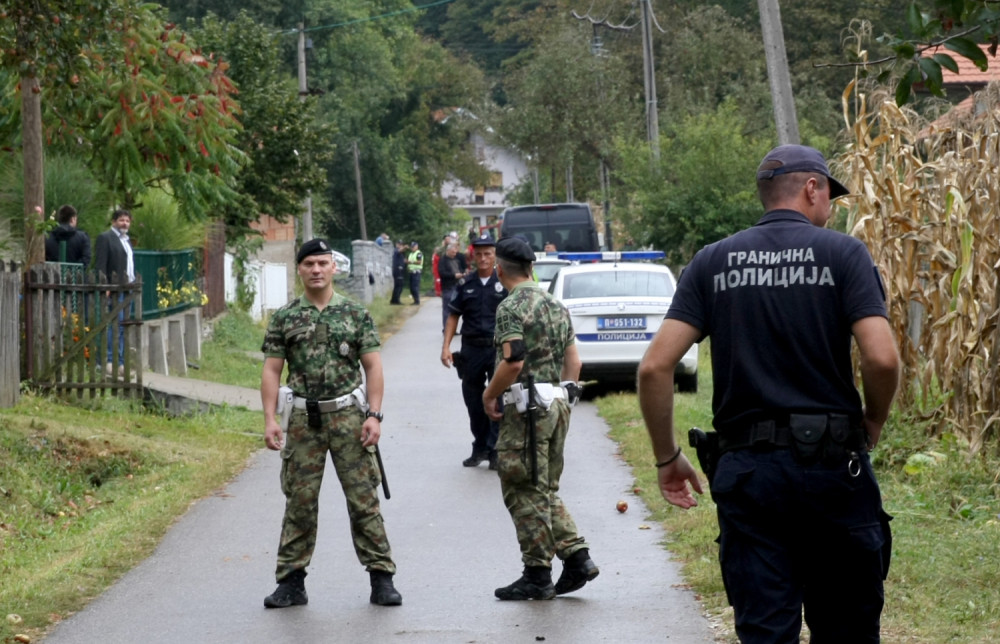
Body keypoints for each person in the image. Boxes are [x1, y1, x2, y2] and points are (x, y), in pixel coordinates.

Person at [637, 144, 900, 643]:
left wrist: (666, 456)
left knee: (765, 630)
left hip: (749, 474)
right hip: (833, 470)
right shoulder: (844, 254)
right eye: (829, 197)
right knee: (847, 626)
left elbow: (655, 367)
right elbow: (882, 358)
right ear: (811, 189)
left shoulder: (712, 261)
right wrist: (874, 421)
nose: (828, 209)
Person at [260, 238, 402, 610]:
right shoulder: (286, 317)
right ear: (300, 270)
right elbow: (272, 370)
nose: (317, 270)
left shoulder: (355, 314)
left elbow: (373, 366)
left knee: (363, 499)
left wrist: (374, 414)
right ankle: (291, 582)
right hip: (305, 420)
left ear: (333, 267)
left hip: (349, 419)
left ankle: (381, 578)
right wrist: (270, 419)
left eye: (323, 263)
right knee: (300, 501)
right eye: (309, 264)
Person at [482, 236, 598, 601]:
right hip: (557, 405)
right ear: (532, 267)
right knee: (543, 487)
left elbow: (513, 361)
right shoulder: (555, 305)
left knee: (522, 489)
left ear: (500, 269)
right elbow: (574, 364)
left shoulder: (510, 308)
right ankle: (577, 556)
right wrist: (562, 398)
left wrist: (489, 393)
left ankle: (537, 574)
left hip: (525, 409)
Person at [441, 234, 506, 469]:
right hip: (471, 350)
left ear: (495, 256)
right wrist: (446, 347)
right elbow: (453, 316)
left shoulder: (505, 283)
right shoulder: (466, 284)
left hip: (497, 349)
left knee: (498, 398)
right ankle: (480, 446)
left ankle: (496, 448)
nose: (483, 258)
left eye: (488, 253)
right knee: (473, 401)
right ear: (473, 256)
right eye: (478, 254)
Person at [94, 209, 135, 370]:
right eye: (121, 220)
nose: (124, 223)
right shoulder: (106, 238)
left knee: (123, 325)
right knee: (114, 324)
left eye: (127, 221)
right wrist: (105, 286)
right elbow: (101, 264)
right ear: (113, 222)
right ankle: (109, 360)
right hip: (115, 288)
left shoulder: (126, 240)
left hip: (128, 288)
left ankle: (120, 360)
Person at [437, 242, 467, 331]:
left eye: (455, 252)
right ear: (448, 251)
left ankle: (453, 329)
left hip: (457, 285)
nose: (455, 254)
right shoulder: (443, 260)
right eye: (453, 252)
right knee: (447, 308)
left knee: (456, 309)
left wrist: (463, 273)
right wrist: (454, 275)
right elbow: (442, 273)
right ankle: (446, 329)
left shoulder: (456, 260)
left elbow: (460, 269)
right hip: (448, 286)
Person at [390, 240, 407, 305]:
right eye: (399, 244)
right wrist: (405, 247)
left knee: (398, 286)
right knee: (399, 286)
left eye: (401, 244)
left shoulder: (401, 253)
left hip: (400, 270)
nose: (400, 245)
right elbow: (400, 251)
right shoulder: (396, 250)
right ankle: (396, 300)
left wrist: (405, 261)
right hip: (398, 270)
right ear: (396, 244)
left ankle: (394, 300)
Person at [406, 241, 423, 305]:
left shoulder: (419, 253)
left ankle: (417, 301)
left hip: (416, 272)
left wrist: (410, 262)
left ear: (417, 246)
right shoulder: (411, 254)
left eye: (414, 246)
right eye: (412, 247)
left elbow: (419, 262)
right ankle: (415, 300)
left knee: (415, 287)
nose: (412, 248)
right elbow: (409, 262)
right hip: (411, 272)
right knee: (411, 287)